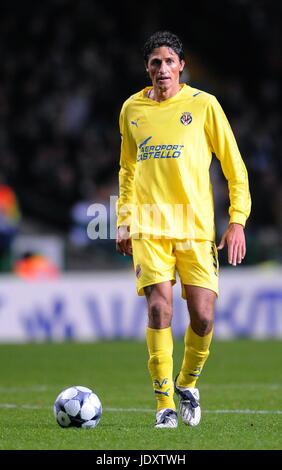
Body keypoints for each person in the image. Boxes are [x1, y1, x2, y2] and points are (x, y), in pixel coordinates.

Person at [116, 31, 251, 429]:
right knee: (159, 308)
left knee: (204, 318)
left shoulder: (204, 105)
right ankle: (164, 406)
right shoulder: (131, 109)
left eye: (169, 61)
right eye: (155, 62)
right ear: (147, 68)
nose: (162, 69)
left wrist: (237, 219)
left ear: (181, 66)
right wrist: (124, 219)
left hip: (195, 229)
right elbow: (127, 170)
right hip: (150, 227)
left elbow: (234, 167)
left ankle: (187, 384)